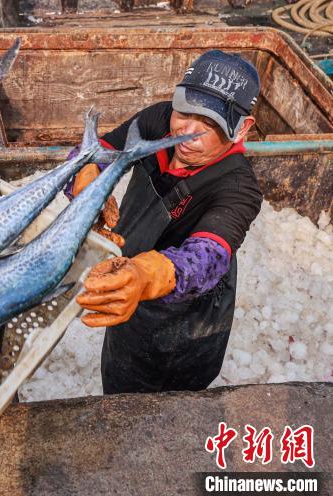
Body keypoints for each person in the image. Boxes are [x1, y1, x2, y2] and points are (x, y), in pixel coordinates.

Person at [70, 50, 263, 394]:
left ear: (241, 128)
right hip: (127, 279)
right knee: (117, 385)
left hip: (184, 324)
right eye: (185, 111)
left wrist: (145, 275)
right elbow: (99, 149)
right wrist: (85, 175)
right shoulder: (158, 122)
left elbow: (208, 256)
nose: (187, 132)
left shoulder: (238, 188)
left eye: (210, 124)